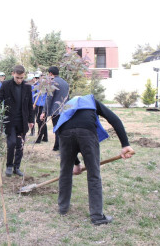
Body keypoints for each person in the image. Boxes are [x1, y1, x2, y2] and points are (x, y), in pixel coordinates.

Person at [54, 94, 135, 225]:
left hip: (64, 133)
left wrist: (75, 163)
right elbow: (114, 119)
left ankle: (63, 208)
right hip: (86, 132)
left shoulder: (67, 105)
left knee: (65, 172)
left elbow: (63, 128)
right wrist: (125, 144)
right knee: (93, 174)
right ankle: (97, 216)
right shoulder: (91, 101)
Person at [0, 65, 34, 177]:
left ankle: (17, 167)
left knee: (20, 145)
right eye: (17, 77)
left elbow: (29, 105)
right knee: (11, 143)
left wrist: (31, 120)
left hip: (22, 121)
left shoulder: (27, 86)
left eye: (21, 77)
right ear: (13, 74)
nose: (19, 80)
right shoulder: (6, 85)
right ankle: (9, 165)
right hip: (10, 120)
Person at [40, 66, 69, 151]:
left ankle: (58, 147)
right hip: (64, 109)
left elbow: (49, 98)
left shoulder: (52, 83)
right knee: (62, 128)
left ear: (50, 74)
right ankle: (59, 146)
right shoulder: (65, 83)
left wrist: (44, 111)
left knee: (57, 128)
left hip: (56, 110)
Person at [32, 72, 48, 143]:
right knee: (42, 122)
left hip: (43, 106)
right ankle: (45, 137)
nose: (38, 79)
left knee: (40, 122)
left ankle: (39, 139)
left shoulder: (45, 86)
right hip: (37, 105)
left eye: (39, 77)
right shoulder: (36, 85)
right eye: (37, 78)